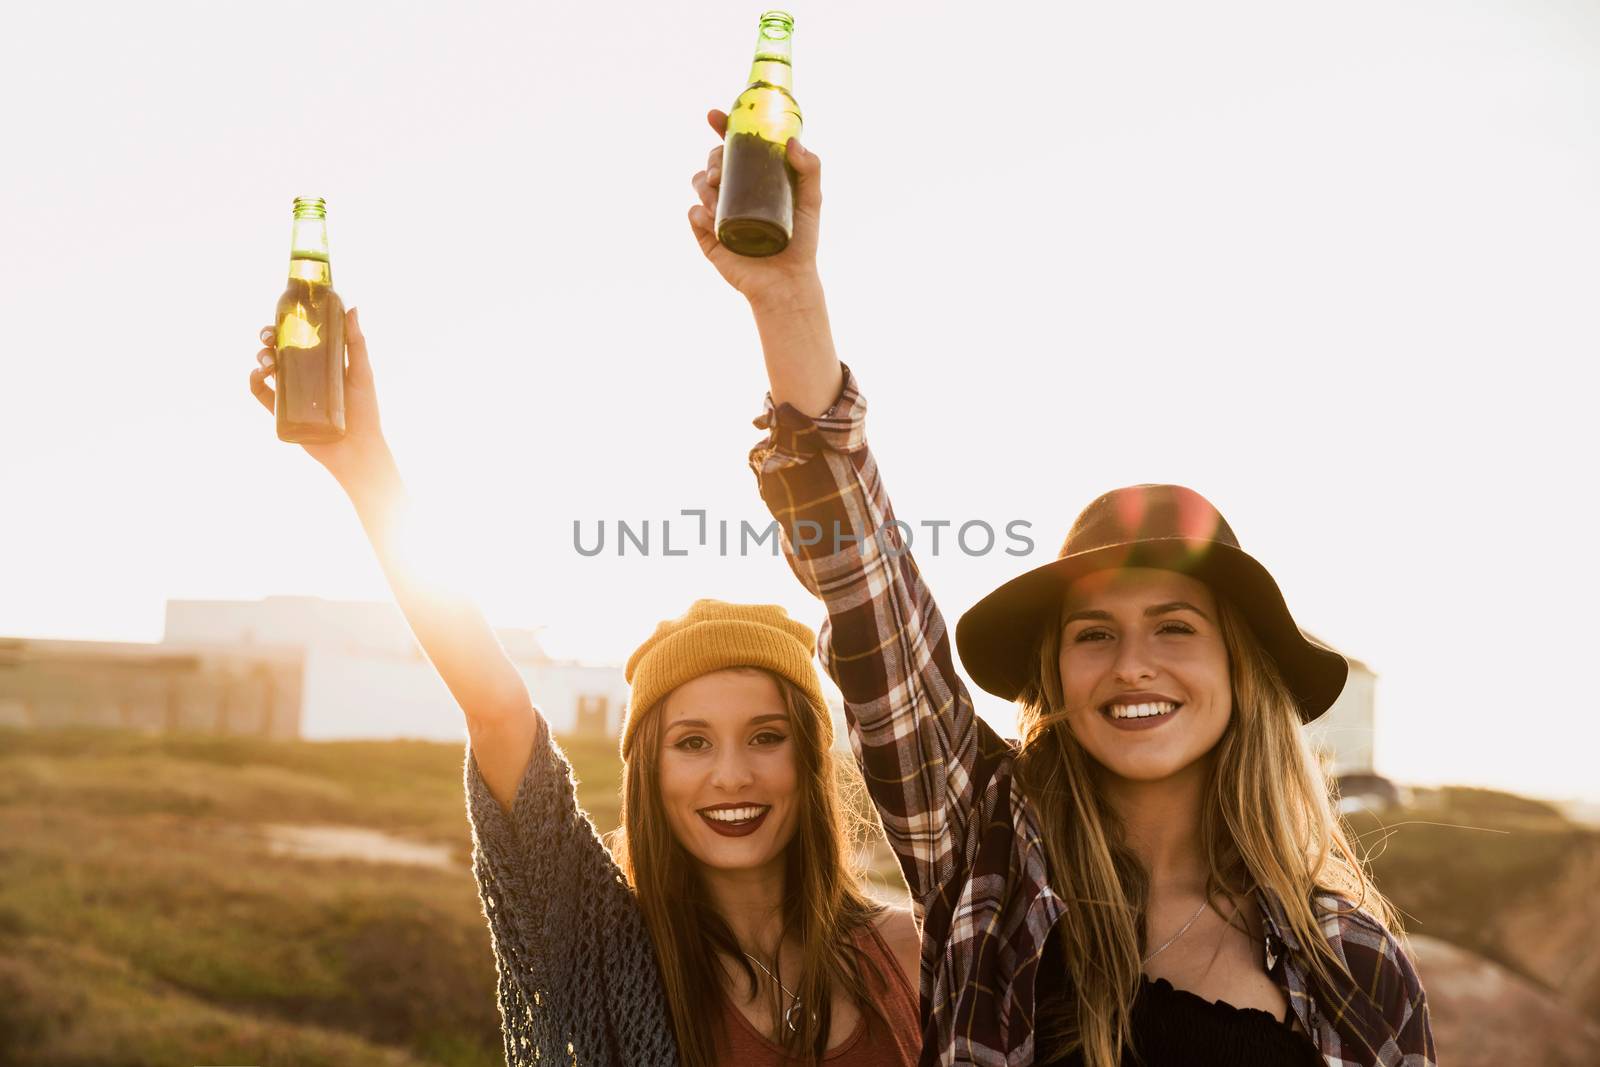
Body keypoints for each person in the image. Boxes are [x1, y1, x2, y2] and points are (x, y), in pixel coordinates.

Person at [686, 109, 1437, 1067]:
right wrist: (786, 298)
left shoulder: (1356, 963)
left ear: (1238, 666)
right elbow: (865, 582)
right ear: (1054, 671)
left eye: (1174, 627)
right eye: (1092, 633)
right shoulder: (986, 847)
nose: (1132, 665)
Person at [247, 317, 921, 1067]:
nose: (732, 774)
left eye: (766, 736)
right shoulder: (614, 955)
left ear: (810, 760)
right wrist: (365, 466)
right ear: (650, 773)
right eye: (691, 742)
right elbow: (500, 710)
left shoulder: (909, 954)